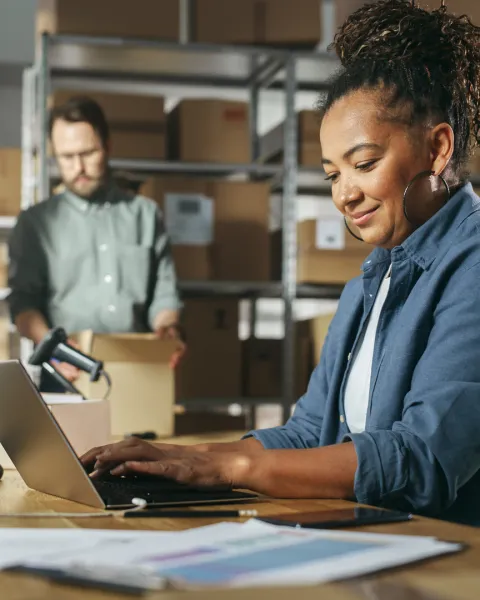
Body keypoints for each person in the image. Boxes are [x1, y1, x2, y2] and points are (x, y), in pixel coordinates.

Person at [82, 0, 480, 525]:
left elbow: (422, 459)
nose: (345, 195)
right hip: (379, 542)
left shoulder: (470, 265)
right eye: (332, 175)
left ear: (438, 147)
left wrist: (227, 469)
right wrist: (185, 458)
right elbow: (309, 433)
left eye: (363, 164)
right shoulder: (370, 281)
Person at [8, 96, 184, 383]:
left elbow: (164, 295)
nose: (78, 167)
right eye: (66, 157)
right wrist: (54, 347)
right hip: (68, 373)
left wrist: (168, 328)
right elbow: (23, 303)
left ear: (108, 147)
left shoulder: (146, 215)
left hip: (139, 371)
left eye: (88, 153)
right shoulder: (35, 224)